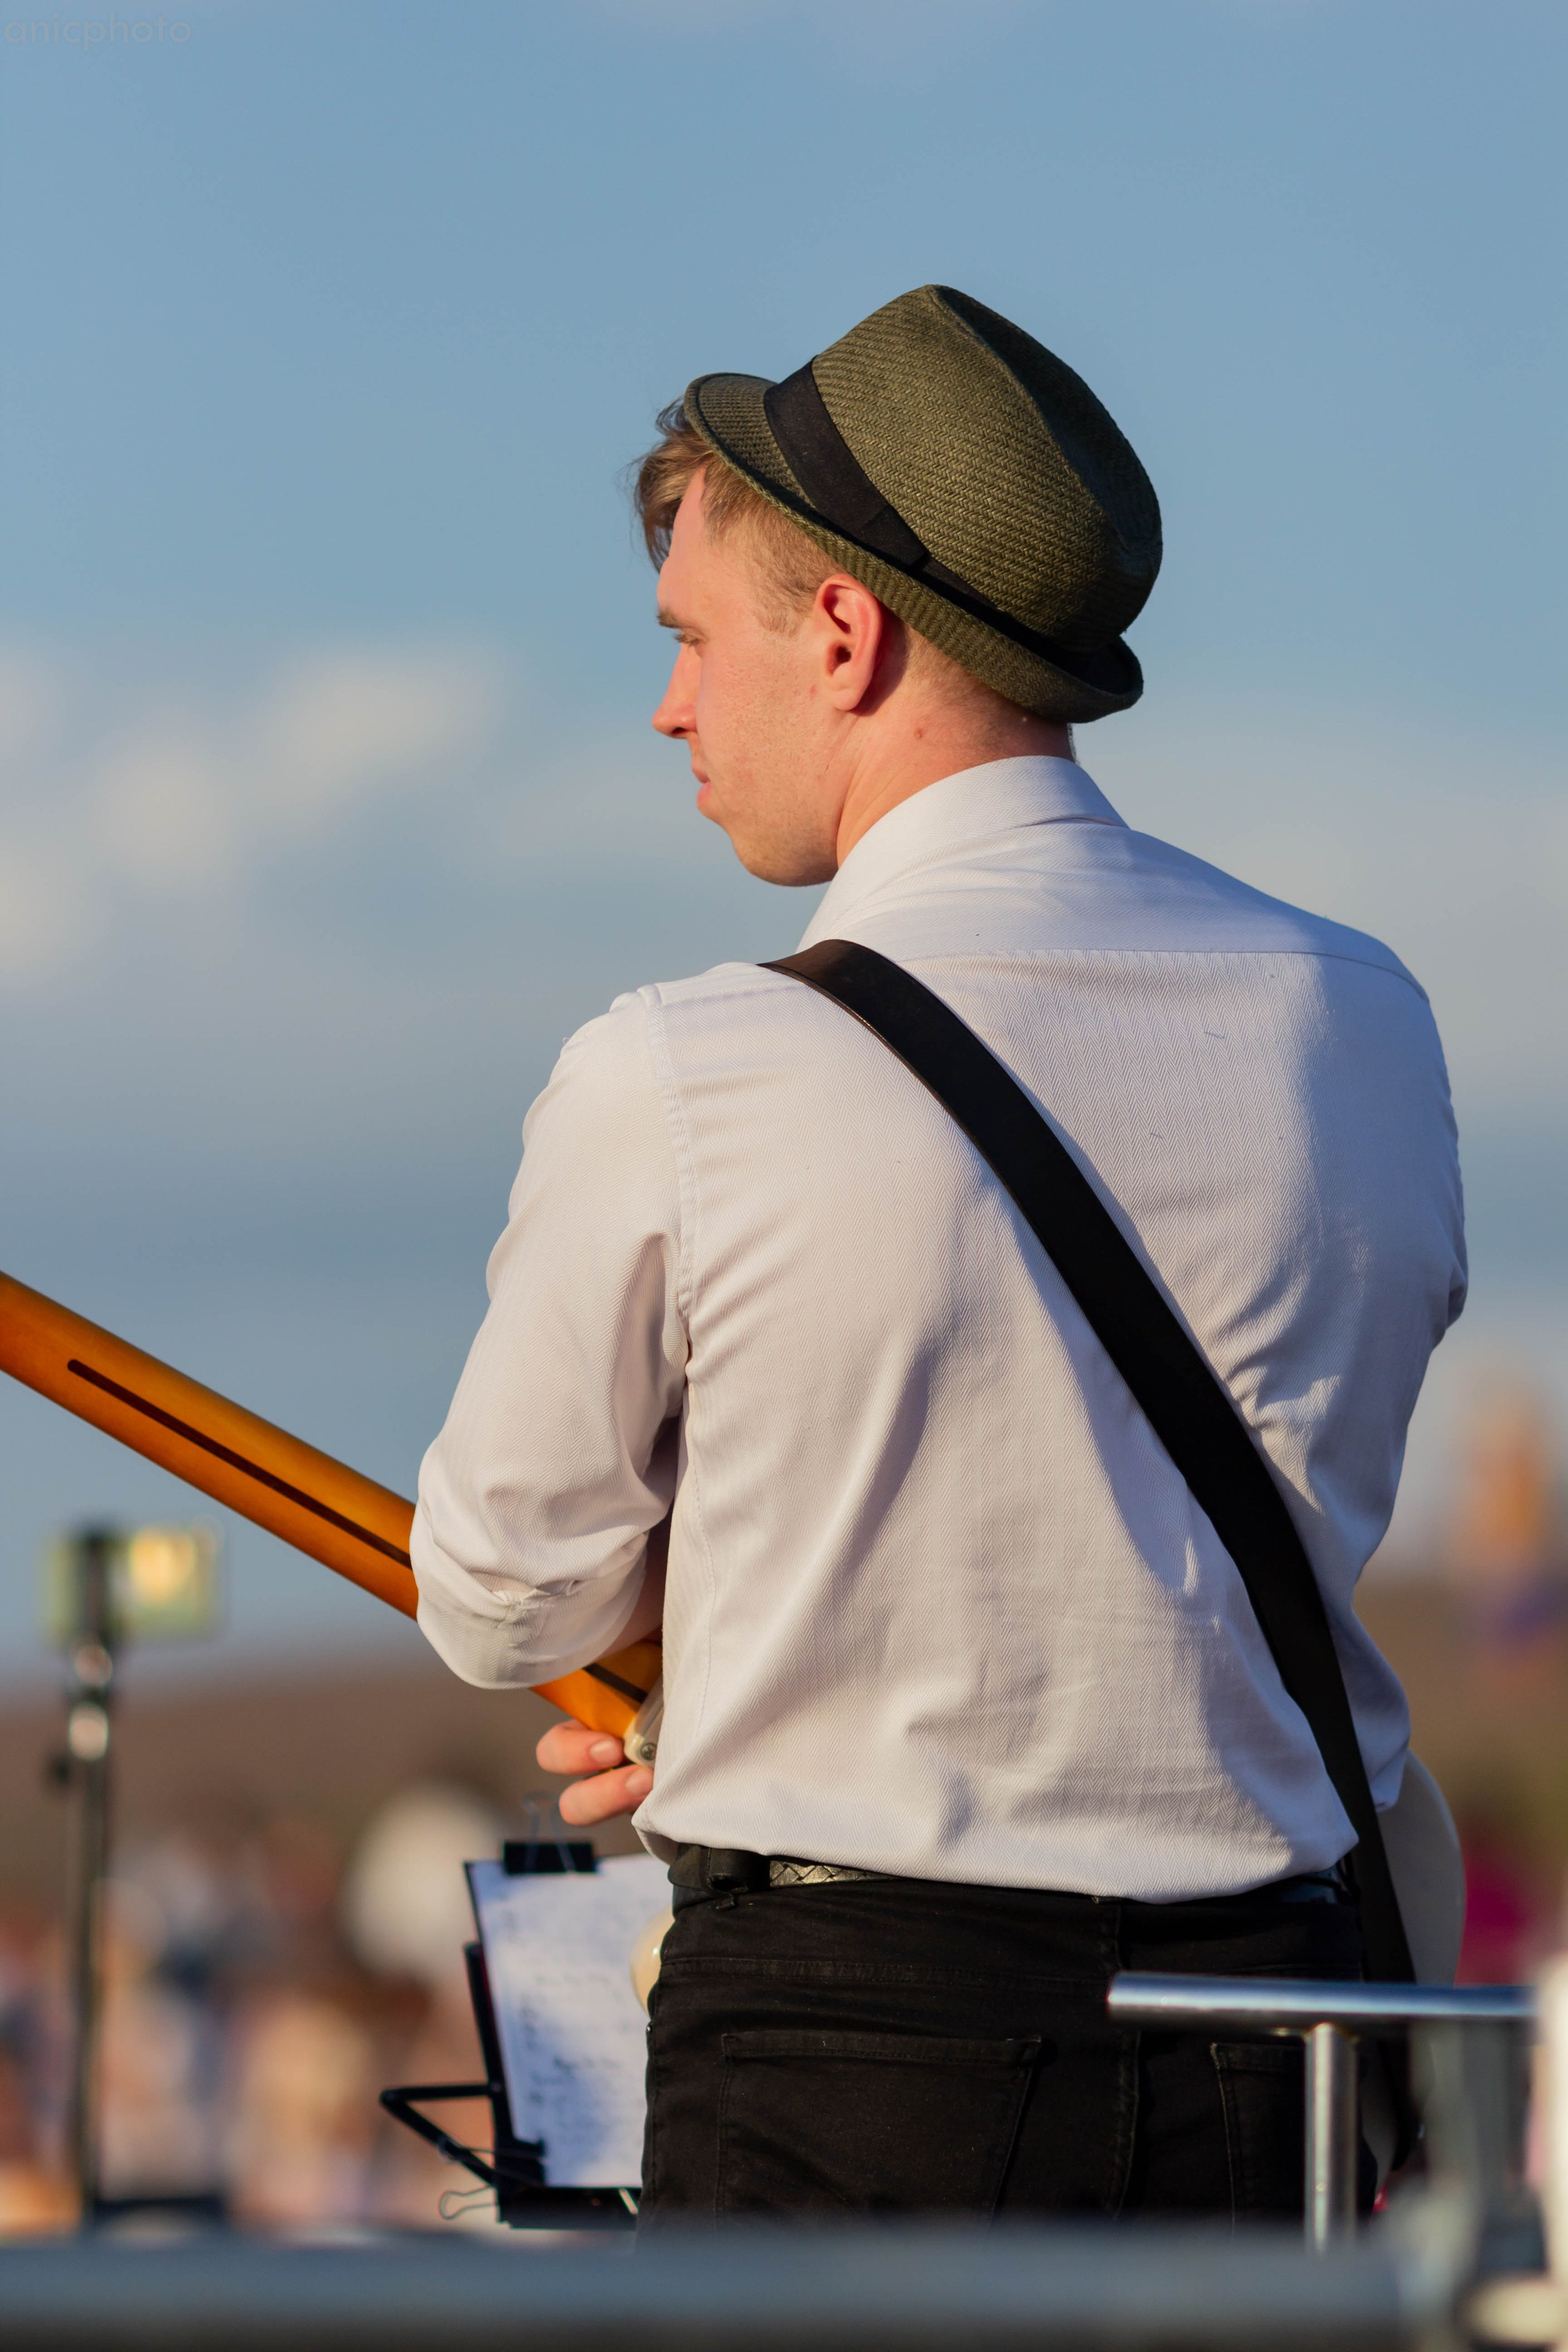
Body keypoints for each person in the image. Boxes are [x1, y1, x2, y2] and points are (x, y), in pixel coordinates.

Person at [411, 285, 1466, 2223]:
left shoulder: (685, 1071)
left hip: (849, 2062)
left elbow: (499, 1593)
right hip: (1273, 2060)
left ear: (841, 631)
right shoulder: (1365, 1023)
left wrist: (730, 1668)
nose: (670, 708)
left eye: (691, 641)